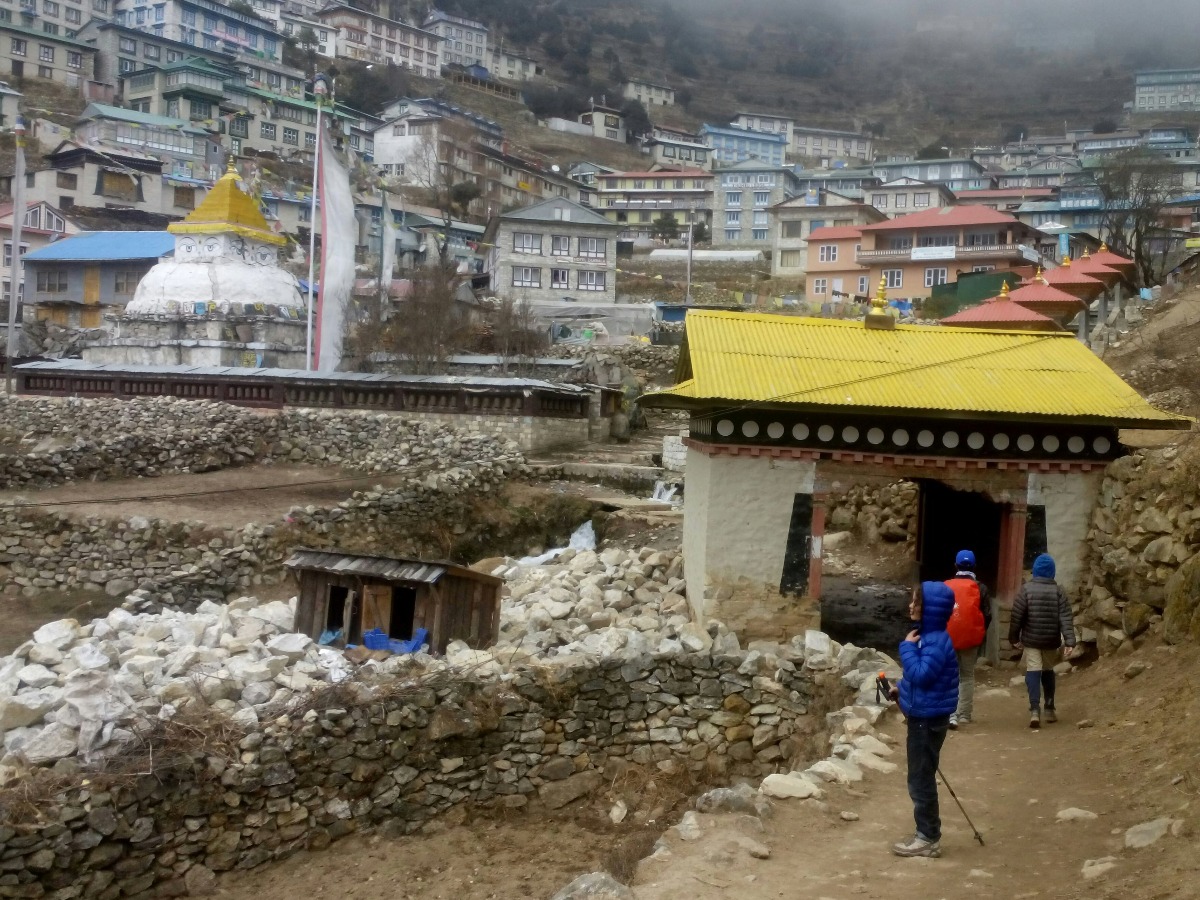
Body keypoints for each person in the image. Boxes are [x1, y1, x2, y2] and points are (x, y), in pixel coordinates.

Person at [890, 581, 960, 859]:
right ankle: (926, 833)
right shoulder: (929, 638)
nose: (910, 606)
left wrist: (905, 648)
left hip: (927, 721)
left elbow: (920, 674)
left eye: (916, 602)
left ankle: (928, 837)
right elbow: (919, 683)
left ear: (929, 609)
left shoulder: (934, 643)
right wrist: (900, 689)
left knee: (920, 779)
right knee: (921, 776)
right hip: (925, 716)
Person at [1009, 553, 1077, 728]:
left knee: (1033, 670)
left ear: (1036, 571)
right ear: (1052, 573)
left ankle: (1034, 711)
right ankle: (1049, 708)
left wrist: (1014, 638)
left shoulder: (1026, 590)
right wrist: (1070, 641)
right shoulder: (1059, 591)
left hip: (1031, 639)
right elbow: (1065, 618)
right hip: (1050, 640)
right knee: (1047, 670)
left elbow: (1017, 617)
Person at [944, 550, 992, 729]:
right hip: (971, 639)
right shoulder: (981, 587)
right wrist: (979, 633)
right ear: (974, 567)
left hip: (948, 638)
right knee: (967, 676)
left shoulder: (947, 585)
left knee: (950, 675)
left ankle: (950, 713)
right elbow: (987, 615)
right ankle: (964, 714)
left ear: (956, 566)